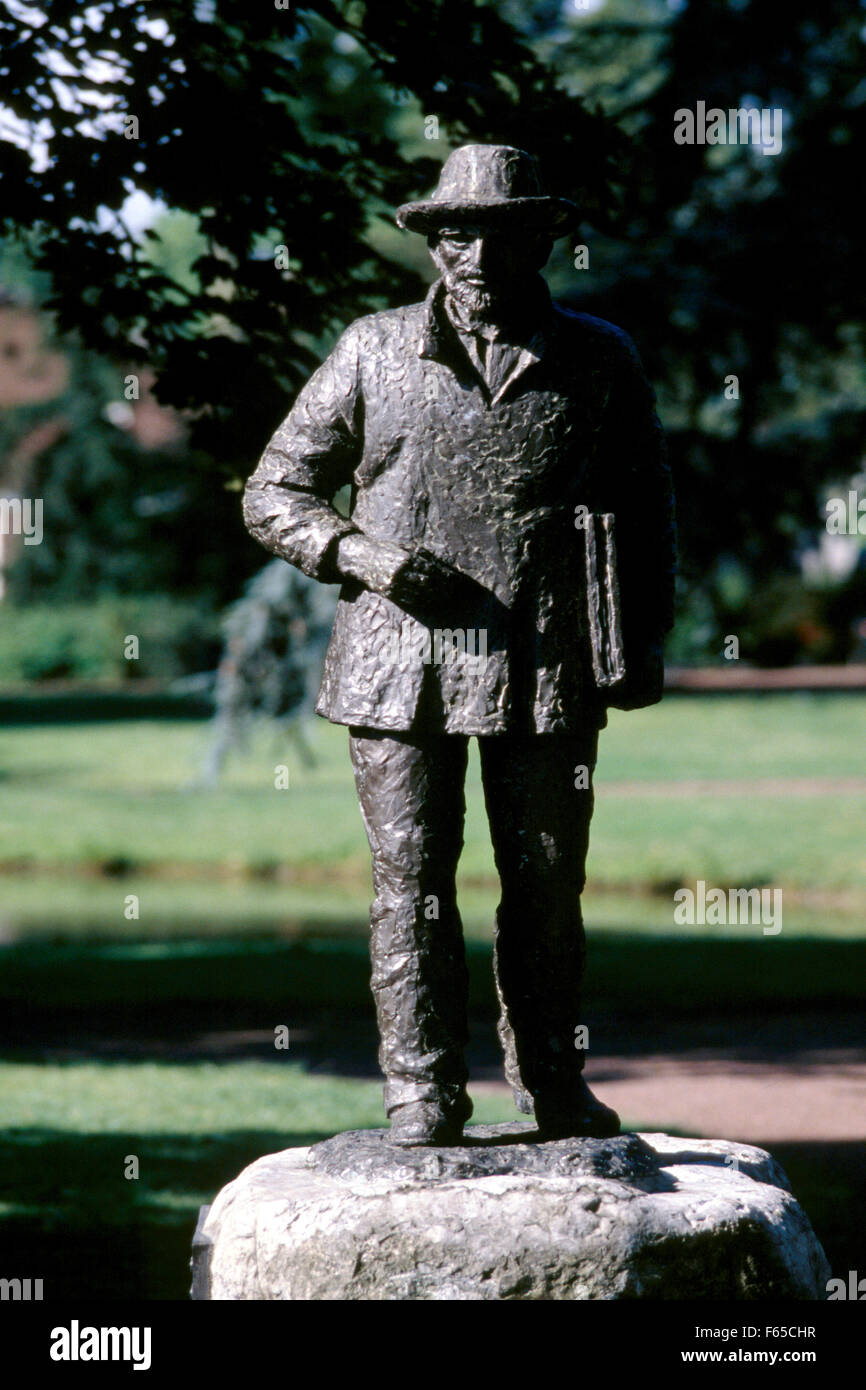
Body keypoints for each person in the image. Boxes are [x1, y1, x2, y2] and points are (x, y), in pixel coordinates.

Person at [244, 145, 676, 1146]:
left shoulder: (597, 356)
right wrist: (364, 556)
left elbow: (646, 514)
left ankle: (552, 1079)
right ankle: (421, 1084)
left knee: (543, 879)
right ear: (432, 242)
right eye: (454, 232)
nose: (473, 251)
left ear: (538, 240)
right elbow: (272, 492)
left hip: (543, 657)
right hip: (396, 662)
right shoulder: (371, 350)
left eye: (497, 231)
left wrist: (640, 642)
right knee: (410, 878)